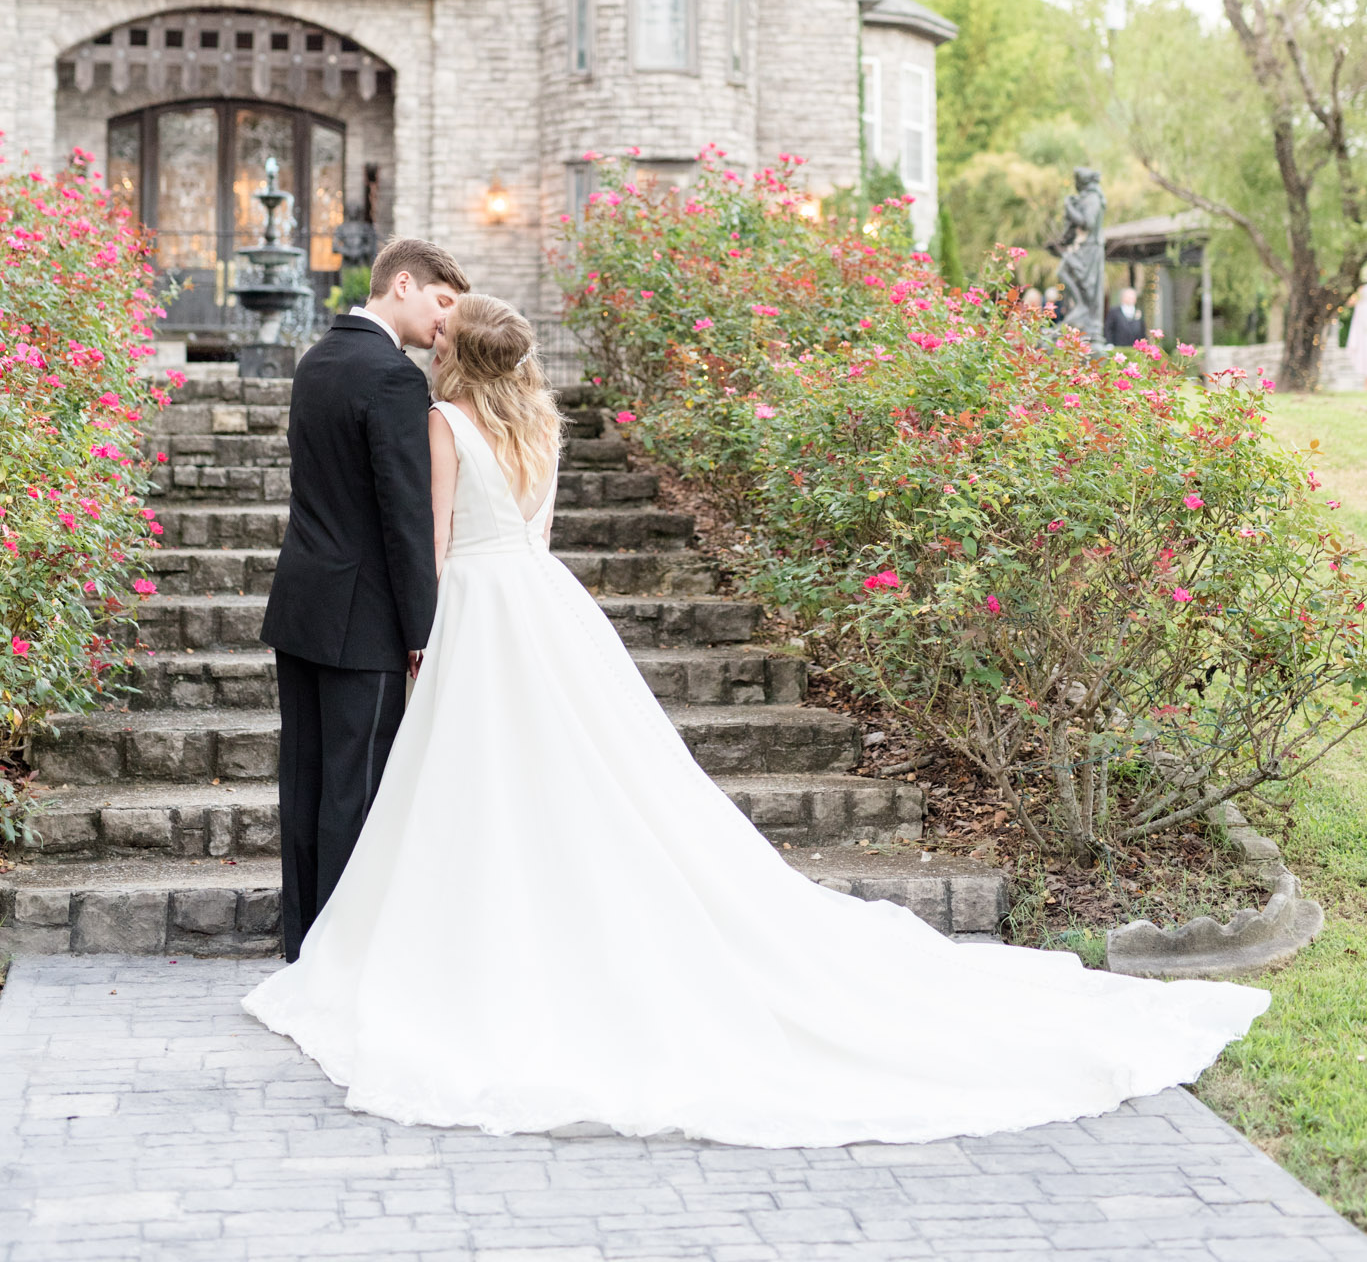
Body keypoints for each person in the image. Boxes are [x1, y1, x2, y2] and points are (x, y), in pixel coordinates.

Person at [245, 292, 1266, 1146]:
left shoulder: (443, 421)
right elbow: (534, 533)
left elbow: (427, 540)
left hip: (473, 604)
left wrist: (421, 636)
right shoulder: (543, 426)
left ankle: (470, 935)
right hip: (543, 604)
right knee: (579, 775)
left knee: (477, 780)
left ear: (453, 356)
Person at [261, 236, 469, 962]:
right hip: (367, 617)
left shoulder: (317, 359)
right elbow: (404, 516)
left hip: (303, 604)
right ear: (403, 284)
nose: (446, 322)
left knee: (307, 782)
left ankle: (304, 945)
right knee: (356, 787)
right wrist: (423, 628)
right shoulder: (392, 377)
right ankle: (341, 957)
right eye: (443, 302)